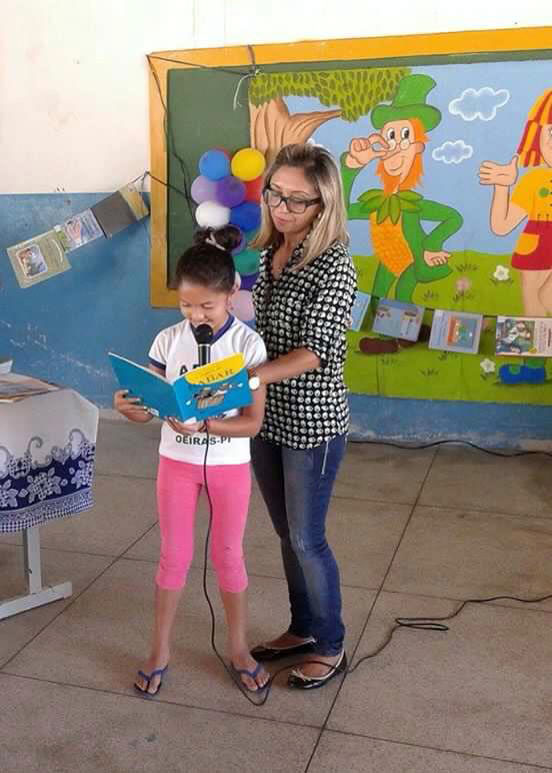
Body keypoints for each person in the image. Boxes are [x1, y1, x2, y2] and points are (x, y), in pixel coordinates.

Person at [114, 226, 270, 695]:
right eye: (186, 305)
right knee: (173, 556)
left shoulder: (248, 347)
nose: (196, 314)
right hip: (175, 463)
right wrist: (131, 409)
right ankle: (160, 649)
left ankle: (238, 647)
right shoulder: (167, 342)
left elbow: (252, 424)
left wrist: (207, 426)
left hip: (228, 466)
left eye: (208, 305)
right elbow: (151, 405)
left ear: (231, 293)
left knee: (228, 555)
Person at [249, 143, 357, 690]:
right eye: (275, 194)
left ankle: (332, 643)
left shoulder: (335, 263)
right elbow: (258, 335)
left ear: (324, 203)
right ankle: (303, 628)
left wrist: (246, 377)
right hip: (264, 418)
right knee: (284, 532)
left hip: (312, 423)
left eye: (298, 200)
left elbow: (315, 351)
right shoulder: (269, 254)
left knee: (307, 538)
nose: (282, 207)